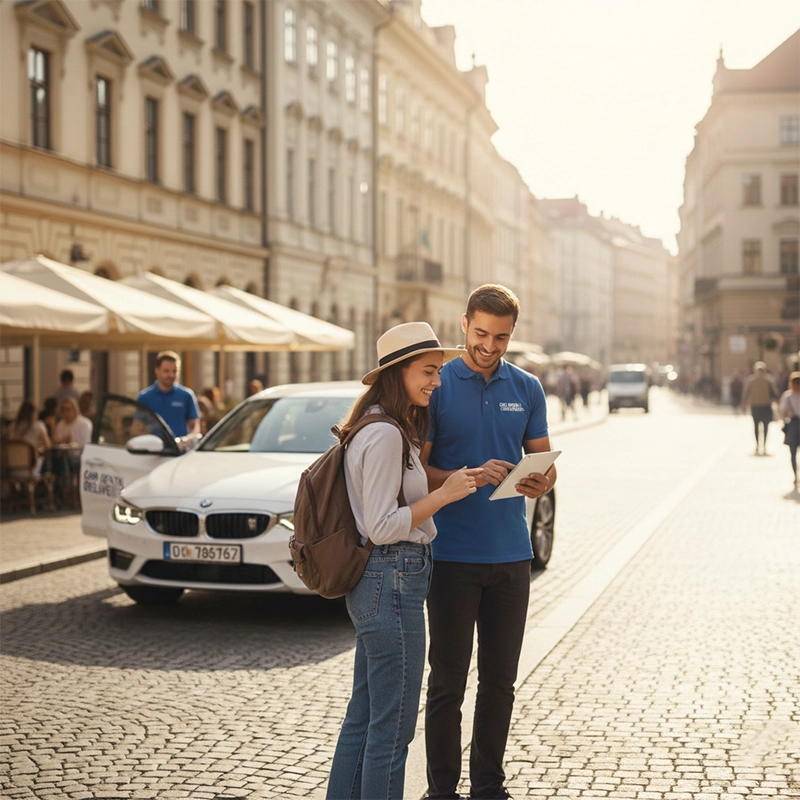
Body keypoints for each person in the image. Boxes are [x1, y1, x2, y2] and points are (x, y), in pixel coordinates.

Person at [326, 322, 481, 800]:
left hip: (384, 582)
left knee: (366, 715)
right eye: (429, 371)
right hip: (391, 580)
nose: (437, 381)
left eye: (438, 371)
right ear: (399, 373)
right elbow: (382, 525)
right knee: (392, 730)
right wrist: (447, 494)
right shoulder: (385, 435)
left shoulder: (383, 426)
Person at [421, 284, 556, 800]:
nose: (490, 345)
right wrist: (467, 475)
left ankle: (488, 788)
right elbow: (418, 471)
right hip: (452, 554)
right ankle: (440, 790)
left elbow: (543, 462)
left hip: (512, 558)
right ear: (464, 325)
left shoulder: (527, 387)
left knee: (500, 683)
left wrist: (542, 481)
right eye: (481, 334)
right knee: (448, 684)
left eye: (501, 337)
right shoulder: (438, 385)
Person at [136, 351, 200, 437]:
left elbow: (194, 427)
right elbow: (136, 428)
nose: (171, 375)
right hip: (154, 448)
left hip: (179, 448)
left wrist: (186, 440)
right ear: (157, 371)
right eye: (166, 371)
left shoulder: (187, 395)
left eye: (175, 371)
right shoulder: (144, 397)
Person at [741, 361, 779, 455]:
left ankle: (764, 445)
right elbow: (746, 393)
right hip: (755, 406)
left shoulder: (769, 380)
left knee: (765, 427)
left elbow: (774, 393)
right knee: (756, 427)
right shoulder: (751, 381)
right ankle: (758, 445)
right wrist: (744, 404)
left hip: (765, 406)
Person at [11, 400, 51, 476]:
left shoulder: (13, 426)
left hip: (11, 469)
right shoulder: (38, 426)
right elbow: (48, 446)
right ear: (34, 413)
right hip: (30, 469)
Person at [779, 371, 800, 488]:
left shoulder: (788, 396)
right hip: (794, 425)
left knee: (793, 452)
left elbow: (784, 412)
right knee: (793, 452)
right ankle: (796, 474)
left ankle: (796, 475)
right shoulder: (788, 396)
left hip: (793, 425)